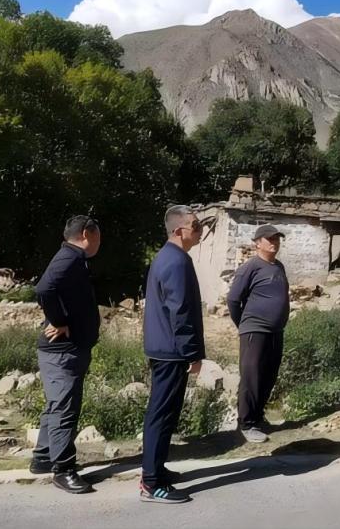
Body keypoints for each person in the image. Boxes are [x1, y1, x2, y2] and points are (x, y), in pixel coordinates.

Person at [30, 216, 102, 494]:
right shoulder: (69, 257)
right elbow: (44, 288)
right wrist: (59, 320)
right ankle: (63, 469)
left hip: (65, 350)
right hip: (62, 351)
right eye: (98, 236)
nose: (99, 242)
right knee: (64, 408)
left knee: (56, 404)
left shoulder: (74, 258)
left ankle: (43, 457)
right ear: (86, 234)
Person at [140, 205, 205, 503]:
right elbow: (180, 311)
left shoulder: (169, 257)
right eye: (196, 225)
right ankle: (152, 483)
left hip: (166, 348)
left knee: (164, 414)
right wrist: (192, 353)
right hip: (171, 351)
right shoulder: (176, 261)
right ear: (179, 230)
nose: (200, 230)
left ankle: (157, 470)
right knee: (161, 414)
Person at [226, 224, 289, 443]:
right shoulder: (251, 267)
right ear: (258, 243)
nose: (274, 243)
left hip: (275, 330)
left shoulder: (278, 266)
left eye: (277, 239)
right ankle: (246, 423)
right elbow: (233, 299)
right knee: (251, 376)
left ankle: (258, 417)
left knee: (268, 375)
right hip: (255, 329)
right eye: (270, 239)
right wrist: (244, 323)